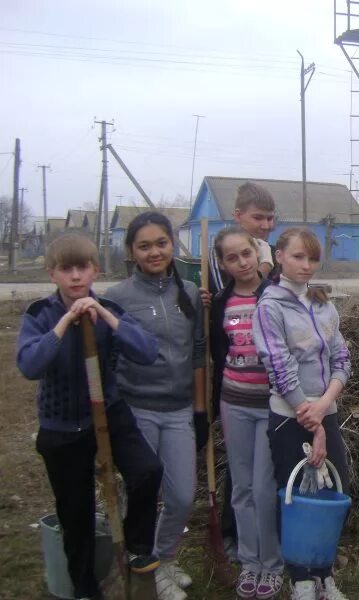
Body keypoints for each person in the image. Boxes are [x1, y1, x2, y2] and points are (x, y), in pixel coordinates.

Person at [17, 234, 163, 600]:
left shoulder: (108, 308)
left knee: (148, 471)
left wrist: (108, 318)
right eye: (67, 269)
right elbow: (30, 365)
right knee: (76, 511)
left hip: (108, 411)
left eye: (83, 267)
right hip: (62, 425)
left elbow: (147, 352)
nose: (76, 276)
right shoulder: (40, 314)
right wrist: (66, 322)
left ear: (95, 270)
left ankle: (135, 546)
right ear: (53, 274)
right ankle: (84, 587)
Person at [105, 212, 206, 600]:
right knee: (140, 494)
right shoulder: (116, 297)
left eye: (161, 243)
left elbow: (198, 351)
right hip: (136, 410)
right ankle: (141, 564)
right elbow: (108, 356)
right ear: (131, 251)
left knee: (182, 495)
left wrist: (199, 411)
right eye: (144, 245)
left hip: (179, 409)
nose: (154, 252)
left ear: (172, 244)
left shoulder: (191, 294)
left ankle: (165, 558)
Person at [252, 227, 351, 600]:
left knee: (332, 491)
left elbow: (342, 358)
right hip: (288, 414)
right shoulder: (270, 306)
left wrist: (325, 406)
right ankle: (300, 579)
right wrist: (310, 415)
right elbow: (279, 367)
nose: (306, 265)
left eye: (312, 258)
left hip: (326, 407)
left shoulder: (324, 302)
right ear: (278, 256)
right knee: (294, 494)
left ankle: (324, 572)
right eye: (298, 256)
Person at [204, 181, 280, 561]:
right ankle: (240, 539)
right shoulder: (217, 266)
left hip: (271, 394)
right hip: (234, 392)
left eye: (270, 219)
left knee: (268, 475)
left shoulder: (274, 276)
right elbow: (217, 333)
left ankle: (271, 543)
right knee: (241, 474)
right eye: (258, 218)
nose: (266, 225)